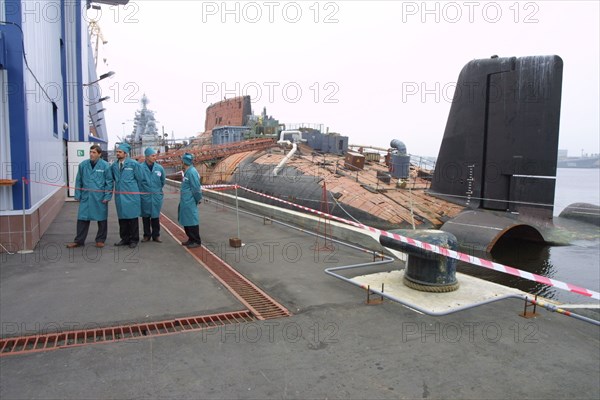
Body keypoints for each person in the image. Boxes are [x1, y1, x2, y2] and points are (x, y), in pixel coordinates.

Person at [66, 145, 113, 248]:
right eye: (90, 152)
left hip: (99, 197)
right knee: (82, 218)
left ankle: (100, 240)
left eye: (94, 152)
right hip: (86, 196)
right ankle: (79, 240)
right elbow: (78, 180)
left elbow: (109, 182)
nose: (91, 154)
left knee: (101, 219)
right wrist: (78, 194)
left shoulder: (105, 166)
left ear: (99, 154)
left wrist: (107, 196)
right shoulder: (83, 165)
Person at [111, 142, 142, 248]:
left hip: (131, 196)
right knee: (122, 218)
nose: (118, 154)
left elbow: (140, 179)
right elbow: (112, 178)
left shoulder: (134, 164)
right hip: (119, 196)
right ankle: (124, 239)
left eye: (120, 152)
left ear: (126, 153)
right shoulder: (114, 165)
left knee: (132, 218)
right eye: (117, 152)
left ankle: (134, 240)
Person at [139, 147, 165, 242]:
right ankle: (146, 235)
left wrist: (156, 190)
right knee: (145, 216)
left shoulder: (159, 168)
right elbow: (138, 182)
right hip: (145, 196)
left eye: (155, 155)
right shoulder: (140, 168)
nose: (155, 157)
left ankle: (156, 235)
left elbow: (162, 181)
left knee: (155, 216)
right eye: (152, 155)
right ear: (146, 157)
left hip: (156, 195)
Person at [178, 153, 202, 248]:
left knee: (192, 221)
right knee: (187, 221)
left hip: (190, 201)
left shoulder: (192, 172)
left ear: (184, 162)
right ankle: (190, 239)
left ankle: (196, 240)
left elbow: (196, 188)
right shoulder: (188, 171)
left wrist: (198, 199)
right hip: (185, 201)